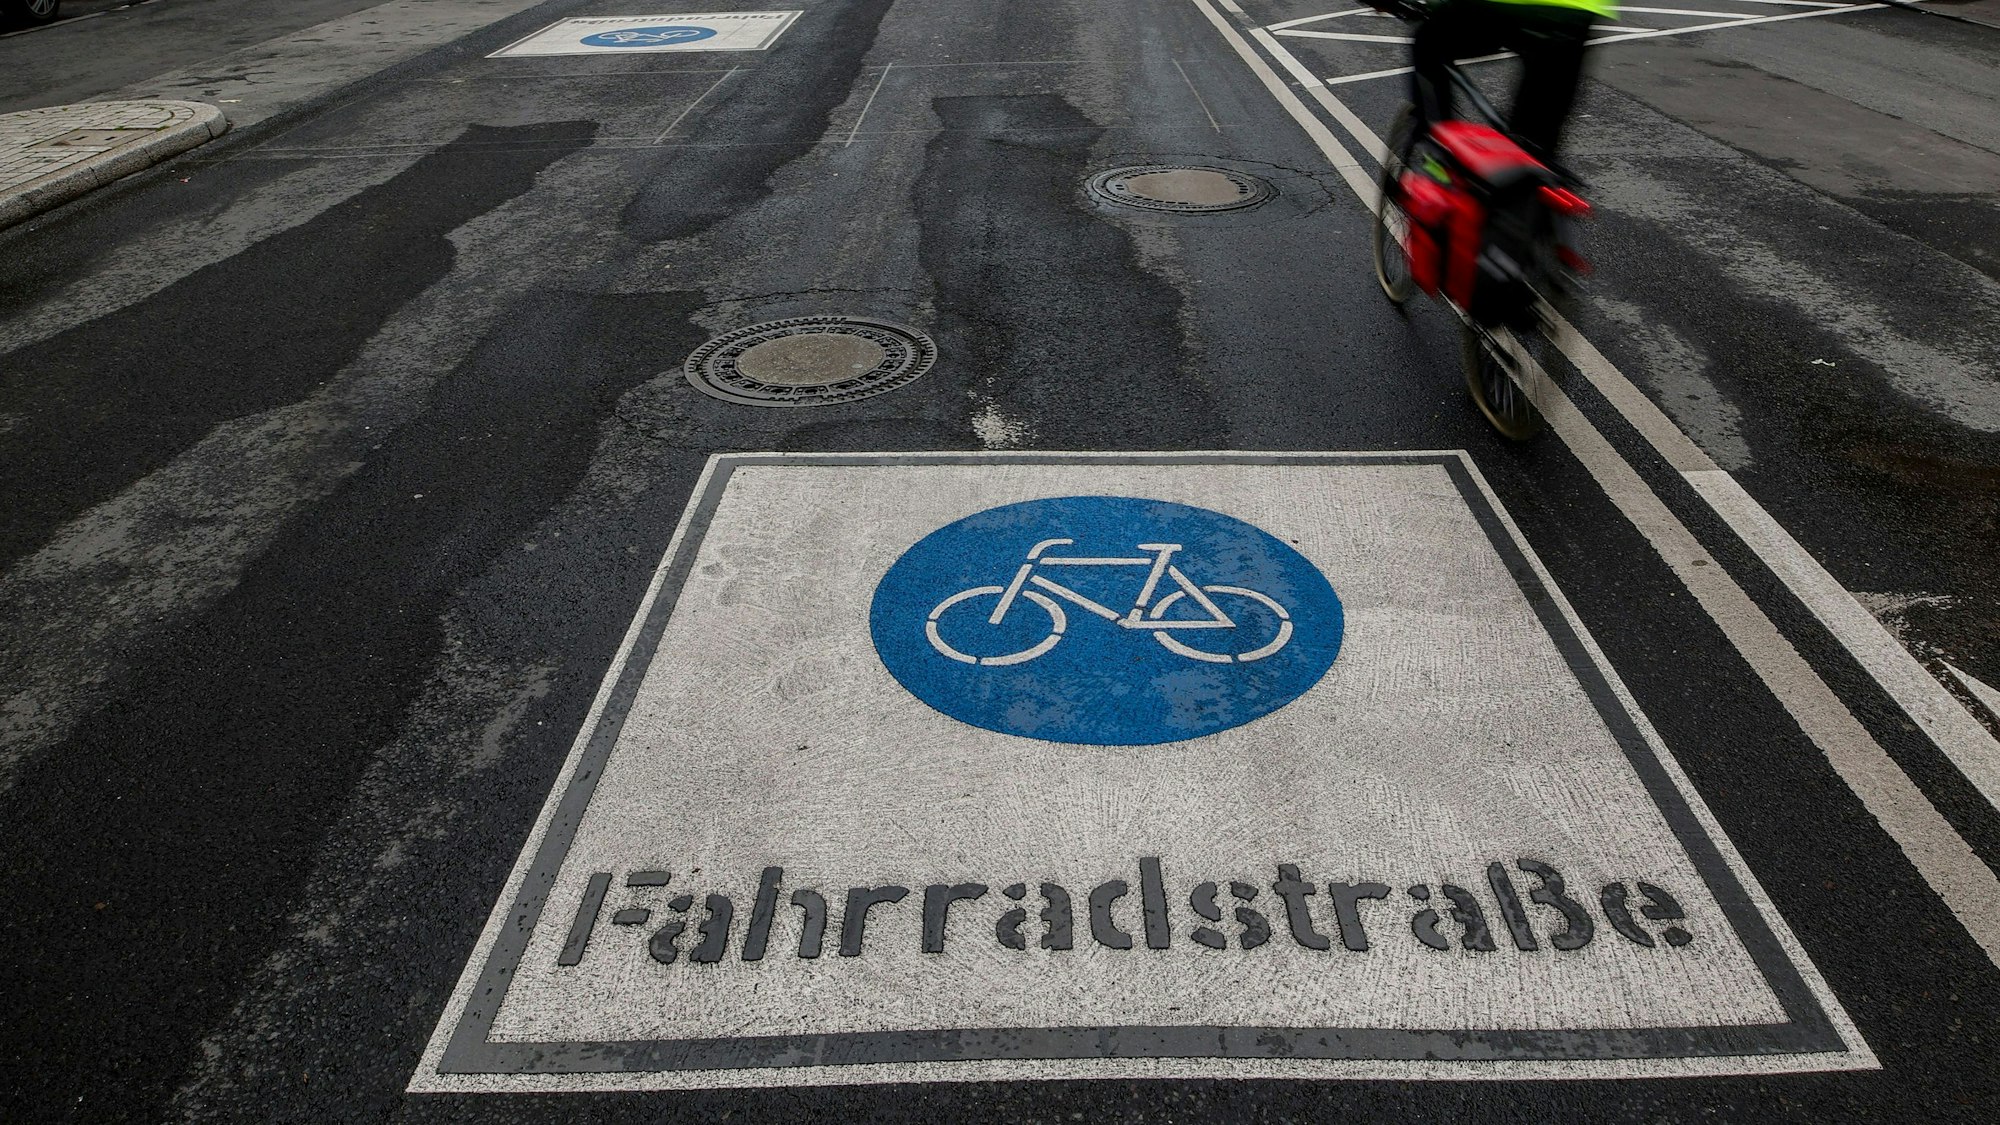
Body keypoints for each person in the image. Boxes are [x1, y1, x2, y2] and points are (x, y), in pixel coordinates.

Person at [1406, 0, 1613, 160]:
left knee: (1428, 44)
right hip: (1577, 12)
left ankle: (1437, 153)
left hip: (1501, 7)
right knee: (1535, 151)